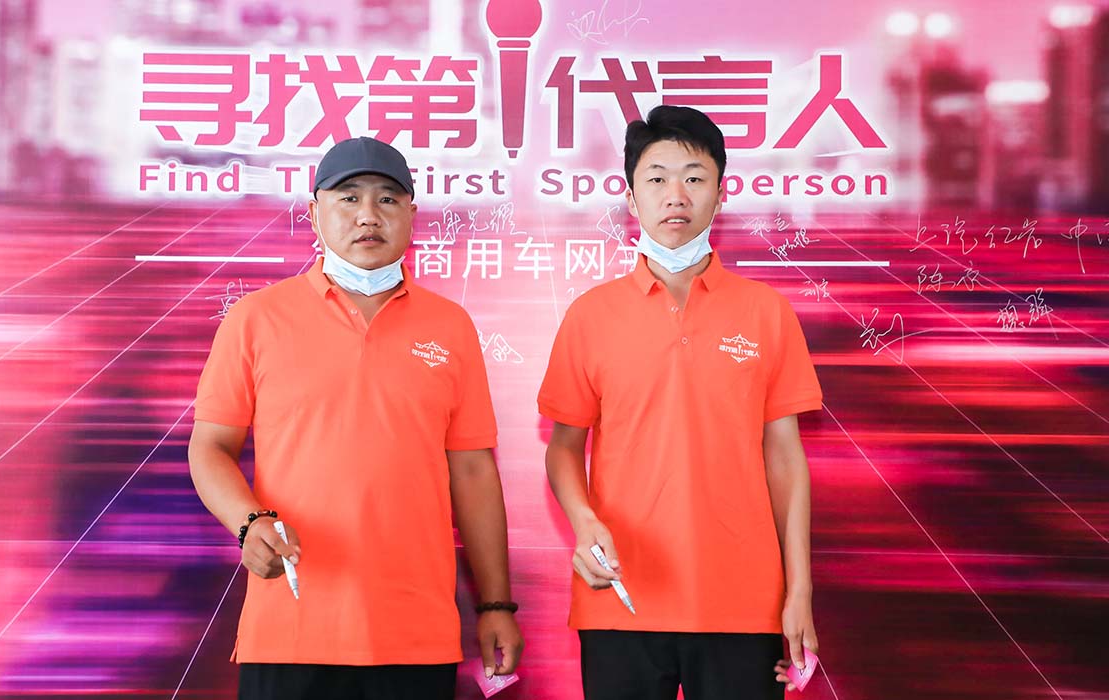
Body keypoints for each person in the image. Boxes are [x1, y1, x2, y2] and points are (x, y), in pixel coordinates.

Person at [189, 136, 523, 700]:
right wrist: (249, 523)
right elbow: (210, 447)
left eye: (387, 199)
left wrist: (495, 604)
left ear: (411, 214)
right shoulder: (256, 319)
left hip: (415, 635)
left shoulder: (450, 326)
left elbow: (472, 472)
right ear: (314, 211)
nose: (368, 215)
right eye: (348, 198)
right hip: (291, 628)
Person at [539, 105, 823, 700]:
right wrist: (585, 522)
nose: (676, 195)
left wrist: (798, 591)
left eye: (694, 178)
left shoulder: (766, 313)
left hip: (743, 603)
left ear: (721, 193)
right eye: (657, 178)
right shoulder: (591, 315)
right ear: (631, 196)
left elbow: (785, 461)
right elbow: (563, 448)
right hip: (620, 598)